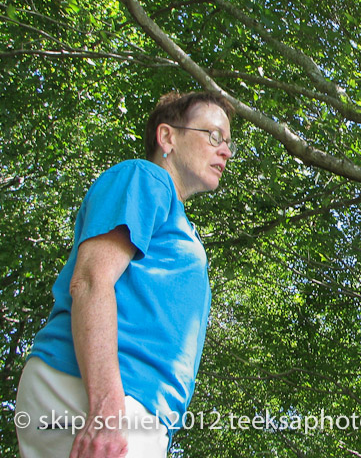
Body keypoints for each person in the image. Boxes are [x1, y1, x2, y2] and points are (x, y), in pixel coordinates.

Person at [15, 91, 237, 458]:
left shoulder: (175, 216)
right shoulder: (145, 178)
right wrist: (105, 410)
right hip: (94, 396)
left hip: (133, 410)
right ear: (167, 137)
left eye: (228, 142)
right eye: (213, 136)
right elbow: (90, 281)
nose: (225, 150)